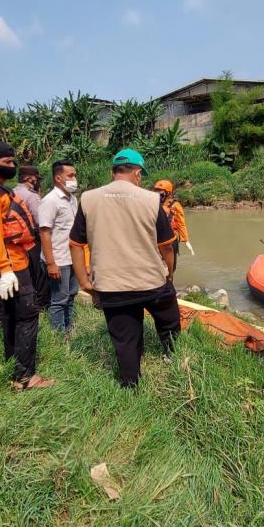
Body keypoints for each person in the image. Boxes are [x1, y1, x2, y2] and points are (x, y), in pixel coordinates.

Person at [68, 148, 181, 388]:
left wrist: (84, 282)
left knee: (125, 339)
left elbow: (76, 244)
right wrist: (169, 273)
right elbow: (167, 246)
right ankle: (174, 355)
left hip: (111, 285)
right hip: (151, 281)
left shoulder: (88, 198)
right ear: (138, 174)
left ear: (113, 172)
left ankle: (130, 384)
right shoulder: (151, 200)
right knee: (169, 319)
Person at [0, 141, 53, 391]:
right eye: (7, 162)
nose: (13, 166)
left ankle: (14, 369)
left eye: (13, 162)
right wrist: (5, 270)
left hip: (15, 263)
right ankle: (26, 378)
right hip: (11, 266)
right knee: (27, 317)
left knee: (12, 317)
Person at [38, 160, 80, 332]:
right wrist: (50, 263)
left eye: (75, 174)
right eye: (70, 175)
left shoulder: (72, 199)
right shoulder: (50, 201)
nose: (74, 178)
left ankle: (69, 328)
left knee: (71, 296)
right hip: (58, 259)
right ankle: (59, 336)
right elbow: (44, 233)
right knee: (59, 300)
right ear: (58, 178)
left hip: (71, 257)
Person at [13, 165, 48, 309]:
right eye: (37, 179)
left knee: (23, 273)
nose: (38, 182)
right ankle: (42, 304)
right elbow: (40, 221)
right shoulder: (31, 196)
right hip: (32, 240)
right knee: (39, 274)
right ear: (29, 179)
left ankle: (24, 301)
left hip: (14, 240)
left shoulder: (11, 192)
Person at [153, 179, 194, 271]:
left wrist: (186, 240)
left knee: (171, 266)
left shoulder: (175, 205)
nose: (158, 195)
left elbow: (181, 223)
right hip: (156, 239)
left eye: (161, 193)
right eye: (156, 192)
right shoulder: (153, 204)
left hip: (171, 240)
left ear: (168, 193)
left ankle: (170, 281)